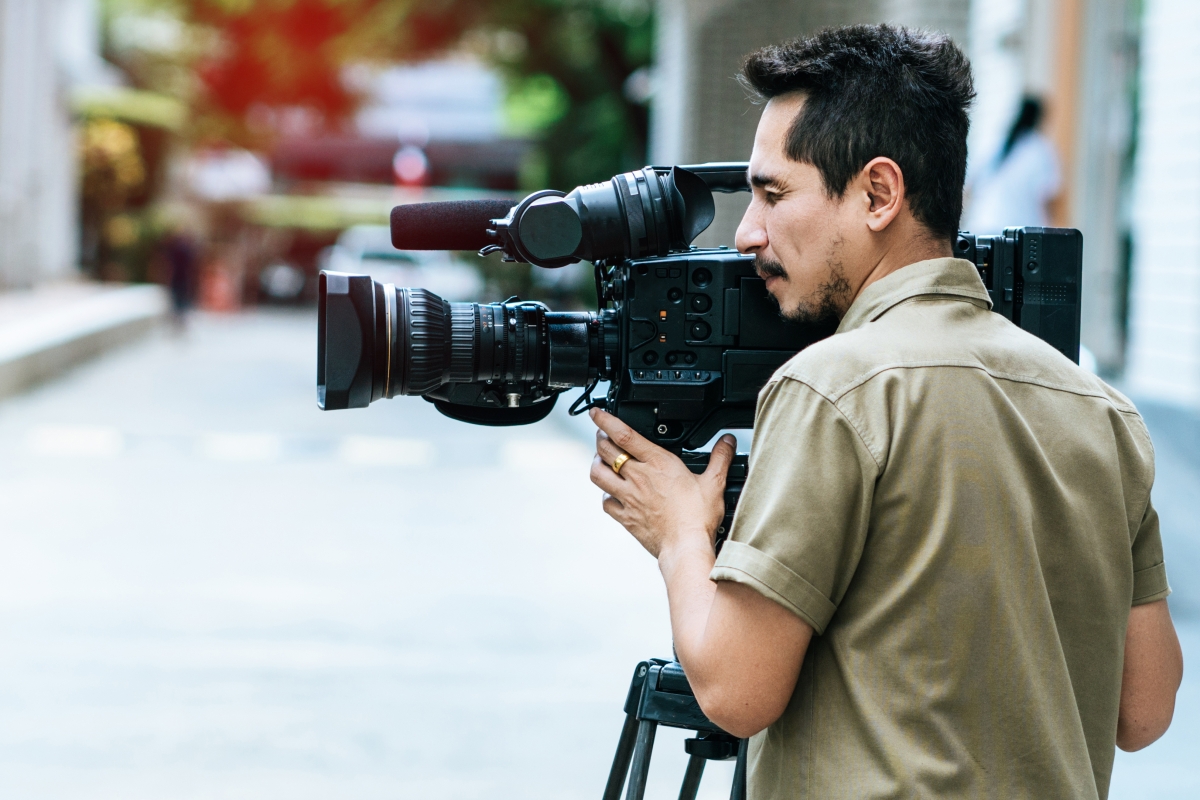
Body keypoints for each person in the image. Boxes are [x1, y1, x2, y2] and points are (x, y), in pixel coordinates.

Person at [588, 24, 1182, 800]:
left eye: (772, 193)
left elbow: (735, 691)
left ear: (878, 193)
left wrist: (678, 535)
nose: (746, 233)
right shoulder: (1101, 410)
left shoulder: (830, 389)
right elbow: (1144, 708)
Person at [964, 96, 1061, 232]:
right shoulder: (1040, 149)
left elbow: (970, 185)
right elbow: (1047, 198)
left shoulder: (995, 143)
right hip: (1020, 233)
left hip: (983, 226)